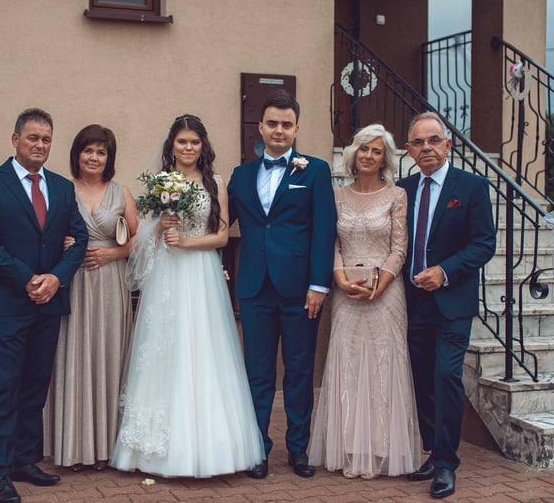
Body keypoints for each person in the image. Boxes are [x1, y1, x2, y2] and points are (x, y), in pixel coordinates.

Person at [109, 114, 264, 478]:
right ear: (172, 145)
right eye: (182, 141)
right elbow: (143, 235)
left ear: (202, 146)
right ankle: (152, 448)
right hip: (168, 273)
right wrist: (160, 227)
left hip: (201, 271)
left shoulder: (216, 183)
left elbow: (222, 236)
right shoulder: (161, 183)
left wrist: (186, 242)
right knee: (165, 346)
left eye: (195, 142)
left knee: (204, 347)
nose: (189, 147)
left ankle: (210, 447)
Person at [0, 108, 89, 503]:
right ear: (15, 139)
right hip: (9, 302)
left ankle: (24, 460)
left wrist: (56, 278)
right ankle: (0, 472)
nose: (40, 145)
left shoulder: (62, 187)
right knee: (5, 386)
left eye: (46, 139)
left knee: (36, 385)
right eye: (33, 137)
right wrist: (27, 279)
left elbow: (80, 240)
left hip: (50, 301)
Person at [227, 89, 337, 479]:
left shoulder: (316, 171)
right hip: (254, 288)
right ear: (260, 127)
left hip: (300, 290)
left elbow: (324, 231)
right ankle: (257, 448)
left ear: (296, 129)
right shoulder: (240, 175)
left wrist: (319, 285)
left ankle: (297, 449)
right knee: (257, 374)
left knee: (299, 372)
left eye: (286, 124)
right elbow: (221, 226)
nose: (279, 130)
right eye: (272, 123)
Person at [309, 124, 422, 479]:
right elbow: (332, 242)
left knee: (382, 366)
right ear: (353, 154)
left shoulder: (397, 195)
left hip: (385, 293)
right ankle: (348, 448)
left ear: (385, 159)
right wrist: (339, 279)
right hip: (345, 291)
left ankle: (382, 449)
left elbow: (399, 248)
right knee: (349, 363)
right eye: (363, 148)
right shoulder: (337, 195)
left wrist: (379, 284)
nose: (369, 156)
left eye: (376, 151)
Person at [396, 112, 496, 499]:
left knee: (446, 376)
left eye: (434, 140)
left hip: (452, 302)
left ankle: (445, 464)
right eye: (419, 142)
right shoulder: (402, 190)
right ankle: (432, 451)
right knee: (422, 381)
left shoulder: (471, 187)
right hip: (411, 302)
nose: (427, 148)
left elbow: (483, 244)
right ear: (409, 150)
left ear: (448, 144)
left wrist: (445, 271)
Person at [42, 124, 139, 472]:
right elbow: (42, 234)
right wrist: (61, 244)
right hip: (73, 282)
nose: (94, 157)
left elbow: (139, 240)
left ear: (109, 158)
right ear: (77, 154)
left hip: (111, 283)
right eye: (88, 150)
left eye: (101, 152)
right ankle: (73, 447)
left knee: (109, 356)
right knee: (72, 355)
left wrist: (113, 253)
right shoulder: (60, 190)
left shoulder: (121, 192)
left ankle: (107, 448)